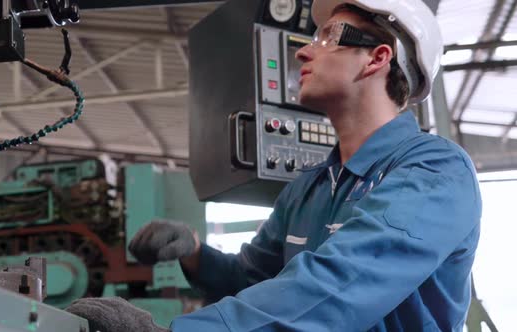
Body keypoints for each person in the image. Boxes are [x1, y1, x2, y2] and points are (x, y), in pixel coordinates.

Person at [66, 0, 482, 331]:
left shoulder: (435, 171)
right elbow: (256, 283)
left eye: (327, 37)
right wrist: (194, 253)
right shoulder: (310, 186)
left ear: (377, 58)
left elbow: (340, 284)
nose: (303, 50)